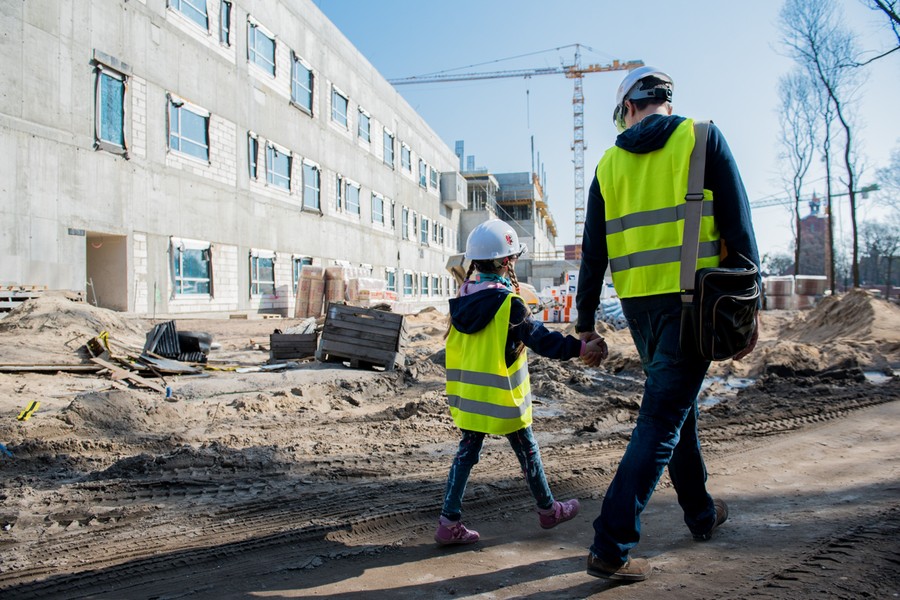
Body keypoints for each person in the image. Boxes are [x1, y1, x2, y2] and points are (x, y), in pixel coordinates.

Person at [575, 66, 761, 582]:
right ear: (665, 101)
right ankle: (610, 546)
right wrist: (750, 310)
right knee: (662, 420)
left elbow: (592, 254)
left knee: (677, 411)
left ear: (627, 109)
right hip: (695, 306)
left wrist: (585, 323)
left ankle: (700, 513)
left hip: (639, 310)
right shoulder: (702, 138)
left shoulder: (608, 164)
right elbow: (740, 230)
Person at [435, 218, 608, 546]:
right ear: (506, 261)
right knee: (527, 449)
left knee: (466, 454)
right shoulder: (509, 303)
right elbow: (543, 340)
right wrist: (581, 348)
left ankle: (448, 521)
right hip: (503, 399)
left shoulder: (462, 299)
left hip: (469, 399)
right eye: (513, 256)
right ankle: (548, 510)